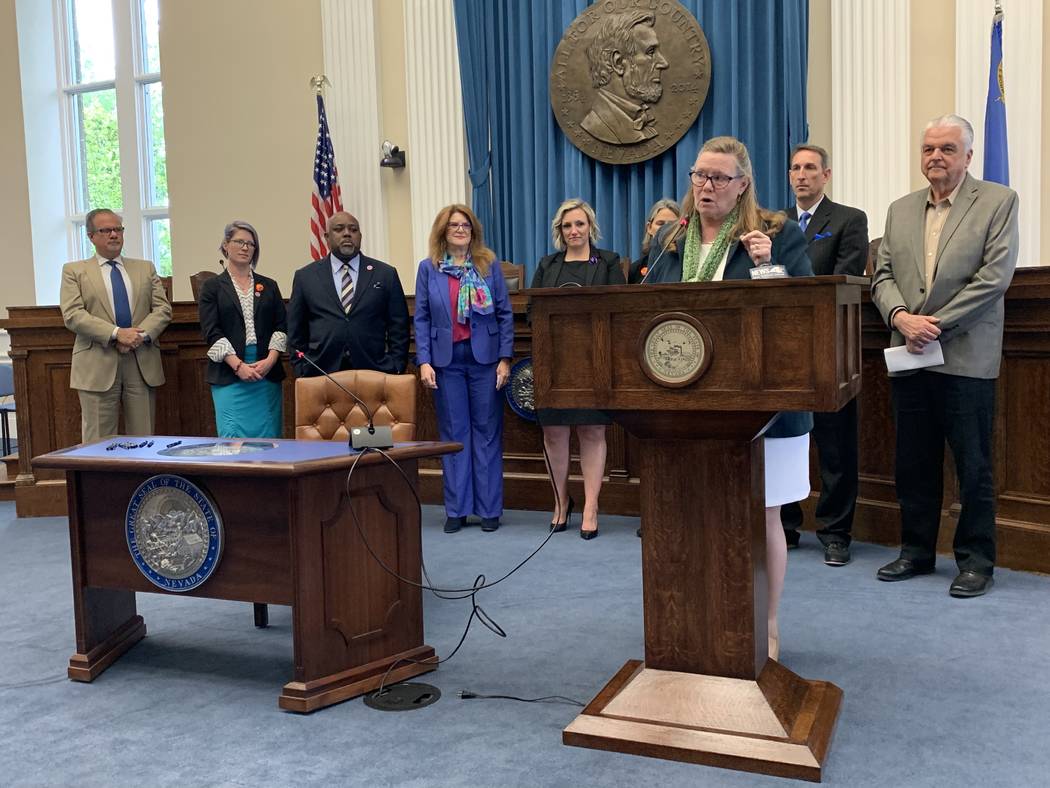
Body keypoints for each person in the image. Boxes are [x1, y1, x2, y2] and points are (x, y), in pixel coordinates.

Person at [643, 136, 813, 658]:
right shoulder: (670, 238)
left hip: (765, 404)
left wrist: (768, 267)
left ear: (742, 186)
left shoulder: (774, 233)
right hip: (688, 405)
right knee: (691, 512)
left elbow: (803, 311)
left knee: (763, 514)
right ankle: (698, 617)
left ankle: (768, 623)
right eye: (699, 176)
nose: (706, 186)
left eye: (718, 178)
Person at [871, 115, 1018, 598]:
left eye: (948, 149)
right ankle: (915, 551)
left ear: (968, 157)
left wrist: (932, 324)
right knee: (914, 459)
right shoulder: (899, 208)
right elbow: (883, 273)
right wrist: (899, 316)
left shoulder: (998, 201)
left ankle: (977, 560)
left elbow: (993, 279)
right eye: (929, 148)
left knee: (972, 463)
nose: (936, 157)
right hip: (909, 354)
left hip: (965, 355)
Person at [780, 144, 869, 566]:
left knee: (834, 447)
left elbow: (842, 281)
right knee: (787, 441)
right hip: (783, 352)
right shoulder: (773, 225)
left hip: (830, 350)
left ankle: (836, 533)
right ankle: (785, 525)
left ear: (826, 175)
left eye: (810, 168)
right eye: (795, 168)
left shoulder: (849, 220)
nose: (801, 175)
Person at [414, 205, 514, 534]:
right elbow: (423, 317)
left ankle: (488, 510)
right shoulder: (429, 268)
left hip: (485, 359)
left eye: (466, 225)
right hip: (446, 361)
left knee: (486, 434)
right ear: (443, 231)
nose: (460, 230)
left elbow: (503, 313)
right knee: (455, 435)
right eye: (453, 225)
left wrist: (504, 358)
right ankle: (456, 509)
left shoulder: (489, 264)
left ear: (474, 231)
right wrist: (424, 360)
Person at [530, 198, 627, 539]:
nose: (574, 231)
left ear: (590, 228)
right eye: (568, 225)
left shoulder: (609, 262)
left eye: (580, 224)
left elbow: (620, 306)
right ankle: (560, 502)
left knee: (591, 431)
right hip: (554, 360)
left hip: (594, 359)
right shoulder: (548, 264)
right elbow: (533, 310)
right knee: (554, 433)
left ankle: (590, 505)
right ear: (560, 231)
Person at [59, 208, 172, 444]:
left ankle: (141, 482)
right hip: (96, 362)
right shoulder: (74, 271)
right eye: (106, 230)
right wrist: (117, 334)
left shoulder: (145, 268)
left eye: (118, 229)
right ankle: (99, 483)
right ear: (91, 236)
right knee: (98, 441)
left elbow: (162, 309)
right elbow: (73, 314)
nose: (114, 235)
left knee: (143, 439)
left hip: (140, 360)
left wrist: (138, 337)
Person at [287, 211, 409, 377]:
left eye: (353, 230)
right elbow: (296, 330)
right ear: (326, 237)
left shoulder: (385, 274)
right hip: (320, 372)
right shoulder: (306, 277)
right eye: (339, 229)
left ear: (360, 236)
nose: (347, 234)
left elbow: (399, 325)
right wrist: (301, 368)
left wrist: (396, 365)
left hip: (375, 371)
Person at [197, 221, 287, 438]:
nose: (245, 247)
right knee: (233, 442)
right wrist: (238, 366)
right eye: (239, 242)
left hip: (265, 374)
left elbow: (281, 326)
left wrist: (271, 360)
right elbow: (212, 331)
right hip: (230, 374)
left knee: (269, 442)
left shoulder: (269, 285)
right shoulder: (212, 287)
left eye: (251, 244)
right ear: (226, 245)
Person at [580, 11, 668, 144]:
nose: (663, 63)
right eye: (650, 52)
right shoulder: (596, 125)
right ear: (618, 63)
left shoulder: (644, 120)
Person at [628, 199, 681, 284]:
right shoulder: (635, 269)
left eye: (672, 224)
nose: (666, 229)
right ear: (649, 228)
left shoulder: (685, 262)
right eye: (660, 223)